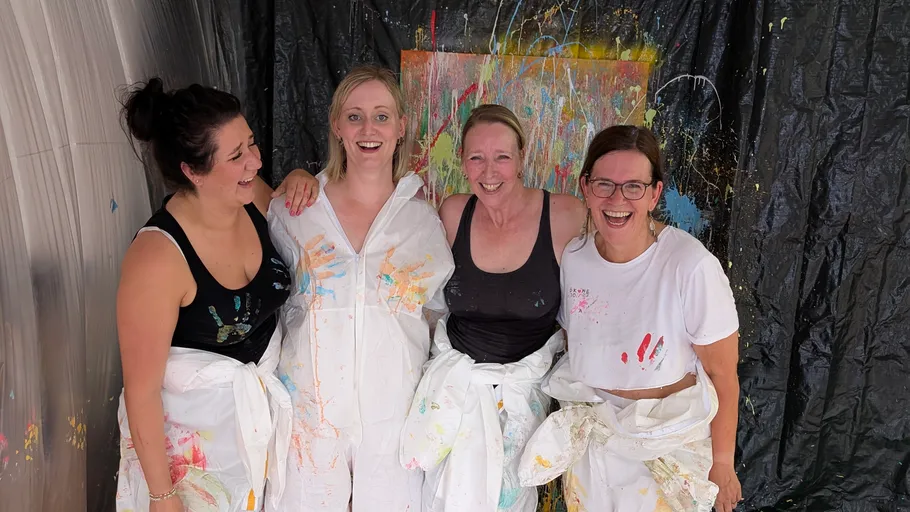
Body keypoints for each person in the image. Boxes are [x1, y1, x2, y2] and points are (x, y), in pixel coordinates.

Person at [115, 78, 318, 512]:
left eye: (251, 143)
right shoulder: (157, 259)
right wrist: (162, 496)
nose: (255, 161)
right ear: (193, 172)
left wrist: (299, 180)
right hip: (193, 458)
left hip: (258, 436)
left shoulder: (252, 195)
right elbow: (141, 391)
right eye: (236, 155)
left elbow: (293, 220)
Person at [517, 125, 742, 512]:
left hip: (667, 445)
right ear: (586, 188)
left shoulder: (690, 265)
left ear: (655, 193)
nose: (617, 199)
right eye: (604, 184)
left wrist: (722, 463)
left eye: (634, 186)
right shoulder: (574, 258)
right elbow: (576, 338)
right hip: (595, 444)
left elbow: (722, 373)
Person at [267, 65, 454, 511]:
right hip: (309, 420)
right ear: (337, 125)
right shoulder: (295, 211)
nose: (368, 129)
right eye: (354, 116)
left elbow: (439, 322)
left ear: (401, 126)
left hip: (394, 418)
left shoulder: (423, 223)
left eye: (381, 116)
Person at [398, 104, 587, 512]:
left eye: (502, 157)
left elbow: (591, 307)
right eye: (476, 158)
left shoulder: (565, 216)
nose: (489, 172)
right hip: (453, 394)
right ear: (462, 161)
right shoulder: (454, 213)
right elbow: (424, 298)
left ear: (522, 157)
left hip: (523, 396)